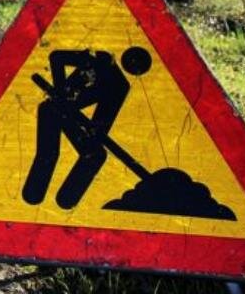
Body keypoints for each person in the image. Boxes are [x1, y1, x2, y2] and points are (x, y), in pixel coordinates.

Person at [22, 46, 152, 209]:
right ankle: (33, 196)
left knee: (95, 154)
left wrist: (94, 131)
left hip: (72, 116)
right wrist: (61, 91)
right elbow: (57, 56)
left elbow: (101, 123)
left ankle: (65, 202)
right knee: (49, 153)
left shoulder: (120, 86)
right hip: (53, 109)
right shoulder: (100, 60)